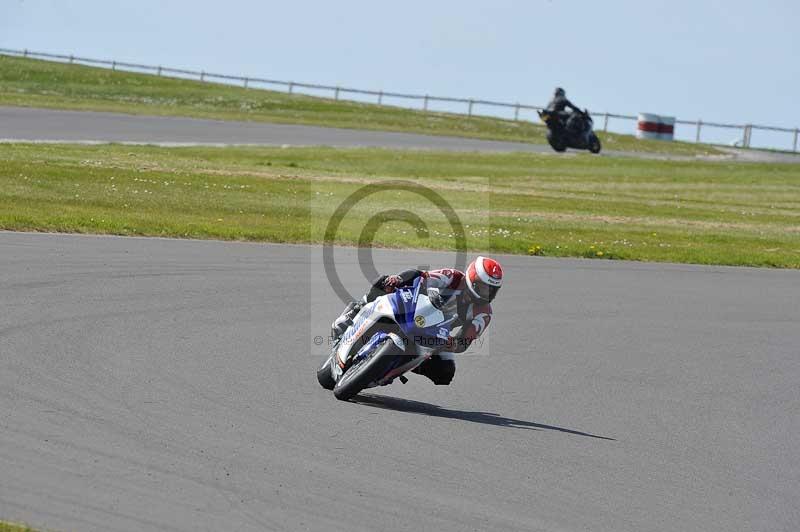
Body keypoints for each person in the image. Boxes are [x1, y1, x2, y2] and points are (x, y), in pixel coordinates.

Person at [331, 256, 503, 386]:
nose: (487, 293)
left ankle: (397, 366)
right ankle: (353, 313)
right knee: (384, 282)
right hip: (416, 308)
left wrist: (454, 344)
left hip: (436, 333)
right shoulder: (453, 277)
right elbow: (420, 275)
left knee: (445, 373)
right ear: (472, 279)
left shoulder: (483, 313)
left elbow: (465, 342)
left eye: (492, 290)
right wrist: (398, 279)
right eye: (484, 287)